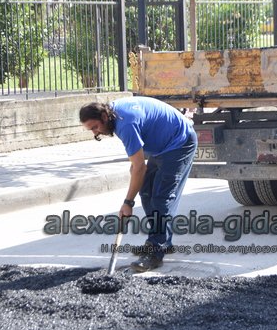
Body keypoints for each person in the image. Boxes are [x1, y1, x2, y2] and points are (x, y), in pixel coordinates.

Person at [80, 97, 197, 272]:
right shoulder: (114, 116)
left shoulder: (125, 124)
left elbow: (139, 167)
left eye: (95, 127)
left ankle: (155, 251)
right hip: (163, 144)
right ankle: (162, 241)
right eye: (91, 130)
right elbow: (136, 165)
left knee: (161, 198)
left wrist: (128, 202)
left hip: (180, 142)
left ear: (104, 116)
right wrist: (135, 175)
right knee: (146, 191)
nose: (95, 133)